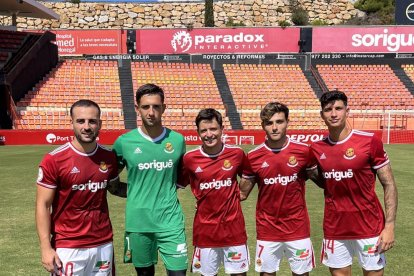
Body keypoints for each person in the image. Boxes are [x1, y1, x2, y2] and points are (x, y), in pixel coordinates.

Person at [309, 90, 398, 276]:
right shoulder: (316, 149)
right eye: (328, 110)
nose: (334, 114)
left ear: (347, 111)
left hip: (370, 226)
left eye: (338, 108)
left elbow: (388, 183)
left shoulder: (369, 141)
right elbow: (323, 180)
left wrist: (389, 226)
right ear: (321, 115)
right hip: (335, 228)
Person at [110, 83, 187, 276]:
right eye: (145, 107)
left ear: (164, 108)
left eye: (156, 106)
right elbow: (111, 181)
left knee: (178, 273)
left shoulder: (177, 140)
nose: (151, 112)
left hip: (171, 222)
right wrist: (135, 192)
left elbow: (181, 177)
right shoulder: (124, 143)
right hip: (139, 222)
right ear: (137, 109)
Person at [35, 99, 119, 275]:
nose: (87, 126)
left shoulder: (109, 157)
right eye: (81, 121)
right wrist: (45, 247)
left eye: (92, 121)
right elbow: (43, 205)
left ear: (100, 124)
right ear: (71, 123)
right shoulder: (54, 160)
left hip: (103, 243)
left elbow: (115, 188)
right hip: (68, 245)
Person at [240, 102, 321, 276]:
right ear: (263, 126)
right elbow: (242, 193)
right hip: (267, 228)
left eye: (279, 121)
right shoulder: (253, 156)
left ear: (287, 122)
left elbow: (325, 182)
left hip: (297, 227)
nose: (275, 127)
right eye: (269, 123)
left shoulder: (304, 151)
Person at [178, 108, 254, 276]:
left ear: (221, 129)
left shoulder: (237, 153)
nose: (209, 134)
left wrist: (242, 193)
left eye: (213, 129)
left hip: (234, 230)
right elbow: (178, 184)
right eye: (203, 130)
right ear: (198, 132)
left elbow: (249, 174)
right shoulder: (189, 159)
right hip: (205, 231)